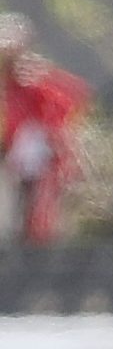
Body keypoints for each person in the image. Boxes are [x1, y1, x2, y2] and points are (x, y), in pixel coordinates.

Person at [0, 12, 90, 246]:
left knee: (40, 216)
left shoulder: (39, 80)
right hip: (11, 159)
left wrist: (44, 76)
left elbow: (74, 98)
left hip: (35, 162)